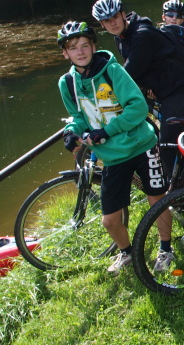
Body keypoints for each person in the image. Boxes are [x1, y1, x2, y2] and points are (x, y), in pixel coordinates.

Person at [57, 21, 171, 274]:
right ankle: (127, 253)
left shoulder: (112, 70)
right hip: (112, 155)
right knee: (109, 220)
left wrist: (106, 131)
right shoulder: (67, 83)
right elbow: (78, 116)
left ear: (93, 46)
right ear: (65, 53)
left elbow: (138, 107)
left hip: (141, 144)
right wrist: (71, 131)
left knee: (157, 200)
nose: (80, 52)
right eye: (73, 48)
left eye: (85, 45)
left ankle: (166, 248)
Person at [91, 0, 184, 184]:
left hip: (177, 88)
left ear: (123, 14)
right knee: (179, 134)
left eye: (115, 17)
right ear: (101, 24)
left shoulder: (141, 34)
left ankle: (179, 190)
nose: (112, 23)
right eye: (107, 21)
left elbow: (127, 75)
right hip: (161, 87)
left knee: (167, 144)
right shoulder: (121, 36)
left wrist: (100, 95)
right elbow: (140, 65)